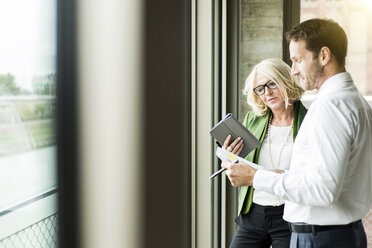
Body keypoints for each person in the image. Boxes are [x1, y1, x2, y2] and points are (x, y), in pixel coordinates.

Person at [222, 18, 372, 248]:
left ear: (323, 56)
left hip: (320, 238)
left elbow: (322, 190)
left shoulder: (330, 107)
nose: (293, 70)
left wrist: (255, 177)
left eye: (298, 60)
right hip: (334, 234)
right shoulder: (354, 101)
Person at [223, 58, 307, 248]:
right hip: (253, 213)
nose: (266, 93)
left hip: (289, 215)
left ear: (286, 81)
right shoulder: (253, 119)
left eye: (271, 84)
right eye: (260, 88)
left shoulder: (308, 120)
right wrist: (231, 157)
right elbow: (241, 163)